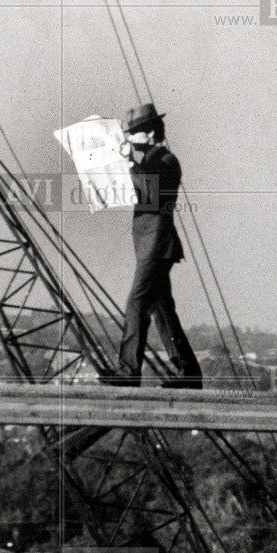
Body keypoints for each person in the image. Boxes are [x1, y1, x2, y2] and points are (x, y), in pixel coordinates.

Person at [102, 103, 203, 389]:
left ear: (150, 133)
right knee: (162, 310)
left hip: (157, 246)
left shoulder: (166, 161)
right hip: (150, 245)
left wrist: (130, 163)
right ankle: (189, 373)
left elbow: (152, 191)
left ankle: (129, 370)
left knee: (137, 303)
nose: (130, 138)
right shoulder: (150, 162)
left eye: (134, 133)